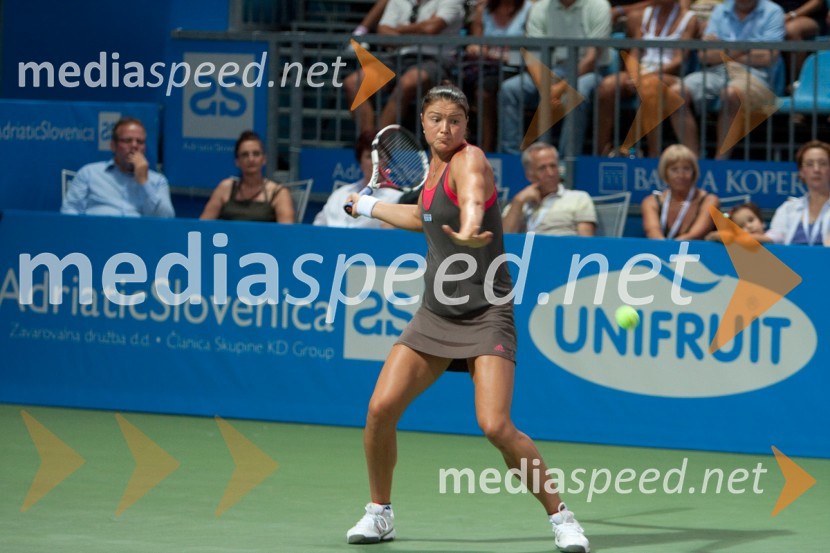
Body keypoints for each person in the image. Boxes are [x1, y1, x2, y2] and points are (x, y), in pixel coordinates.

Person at [343, 85, 591, 552]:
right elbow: (423, 215)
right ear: (422, 122)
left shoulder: (468, 159)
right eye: (436, 119)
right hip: (436, 312)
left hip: (486, 314)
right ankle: (380, 513)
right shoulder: (432, 167)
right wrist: (369, 206)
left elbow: (473, 194)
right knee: (380, 410)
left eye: (455, 120)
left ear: (467, 126)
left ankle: (562, 516)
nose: (445, 128)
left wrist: (473, 224)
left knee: (495, 425)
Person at [668, 0, 785, 159]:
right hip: (716, 71)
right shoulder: (720, 10)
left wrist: (724, 50)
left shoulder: (773, 11)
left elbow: (767, 56)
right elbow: (705, 55)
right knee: (676, 93)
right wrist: (745, 48)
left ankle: (720, 162)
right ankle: (692, 161)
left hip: (754, 75)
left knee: (731, 93)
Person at [498, 0, 612, 158]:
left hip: (588, 71)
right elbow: (533, 56)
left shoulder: (599, 5)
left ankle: (566, 162)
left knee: (576, 92)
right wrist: (547, 89)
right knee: (510, 90)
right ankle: (512, 158)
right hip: (549, 71)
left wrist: (558, 89)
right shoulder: (540, 8)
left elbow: (591, 59)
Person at [342, 0, 466, 134]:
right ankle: (368, 143)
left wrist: (398, 30)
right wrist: (420, 32)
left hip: (436, 58)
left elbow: (431, 28)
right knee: (353, 83)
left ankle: (381, 144)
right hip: (397, 57)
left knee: (407, 83)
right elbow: (383, 32)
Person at [596, 0, 698, 157]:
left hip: (669, 75)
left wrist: (647, 76)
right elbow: (635, 51)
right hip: (640, 72)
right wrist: (634, 74)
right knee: (607, 86)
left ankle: (653, 156)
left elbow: (679, 59)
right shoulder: (643, 15)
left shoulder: (689, 18)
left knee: (649, 86)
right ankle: (600, 152)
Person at [61, 117, 174, 218]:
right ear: (113, 145)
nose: (134, 146)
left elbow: (167, 220)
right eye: (127, 140)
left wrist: (144, 182)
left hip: (138, 238)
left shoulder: (158, 181)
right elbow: (69, 210)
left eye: (140, 142)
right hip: (98, 236)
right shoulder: (89, 173)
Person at [463, 0, 533, 151]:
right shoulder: (483, 10)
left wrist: (502, 55)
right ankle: (465, 147)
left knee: (486, 90)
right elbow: (475, 43)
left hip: (517, 69)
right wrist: (475, 48)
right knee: (456, 85)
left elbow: (532, 51)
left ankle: (489, 148)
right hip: (486, 68)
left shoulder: (530, 9)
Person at [502, 142, 597, 235]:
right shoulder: (520, 203)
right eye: (542, 168)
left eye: (553, 166)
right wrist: (518, 202)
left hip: (565, 249)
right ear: (529, 175)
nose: (550, 173)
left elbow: (586, 244)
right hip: (525, 250)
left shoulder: (579, 199)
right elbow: (503, 240)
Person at [199, 131, 295, 223]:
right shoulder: (225, 188)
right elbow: (202, 226)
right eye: (245, 155)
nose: (251, 159)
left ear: (264, 159)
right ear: (237, 161)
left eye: (256, 154)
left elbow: (287, 234)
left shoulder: (279, 193)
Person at [312, 131, 403, 227]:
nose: (375, 162)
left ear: (387, 160)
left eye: (379, 156)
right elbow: (317, 229)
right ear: (360, 161)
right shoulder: (339, 194)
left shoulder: (397, 198)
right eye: (369, 157)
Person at [642, 144, 720, 239]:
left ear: (694, 171)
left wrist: (673, 249)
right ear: (665, 172)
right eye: (674, 169)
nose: (681, 175)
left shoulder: (709, 201)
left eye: (686, 169)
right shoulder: (651, 202)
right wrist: (666, 250)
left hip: (697, 252)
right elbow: (652, 231)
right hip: (661, 251)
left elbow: (696, 233)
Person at [765, 140, 830, 245]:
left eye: (823, 163)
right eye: (809, 164)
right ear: (801, 171)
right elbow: (774, 237)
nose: (816, 169)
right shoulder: (788, 208)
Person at [705, 201, 773, 243]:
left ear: (762, 221)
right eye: (741, 226)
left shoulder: (772, 234)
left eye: (751, 220)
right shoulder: (737, 243)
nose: (749, 226)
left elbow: (768, 239)